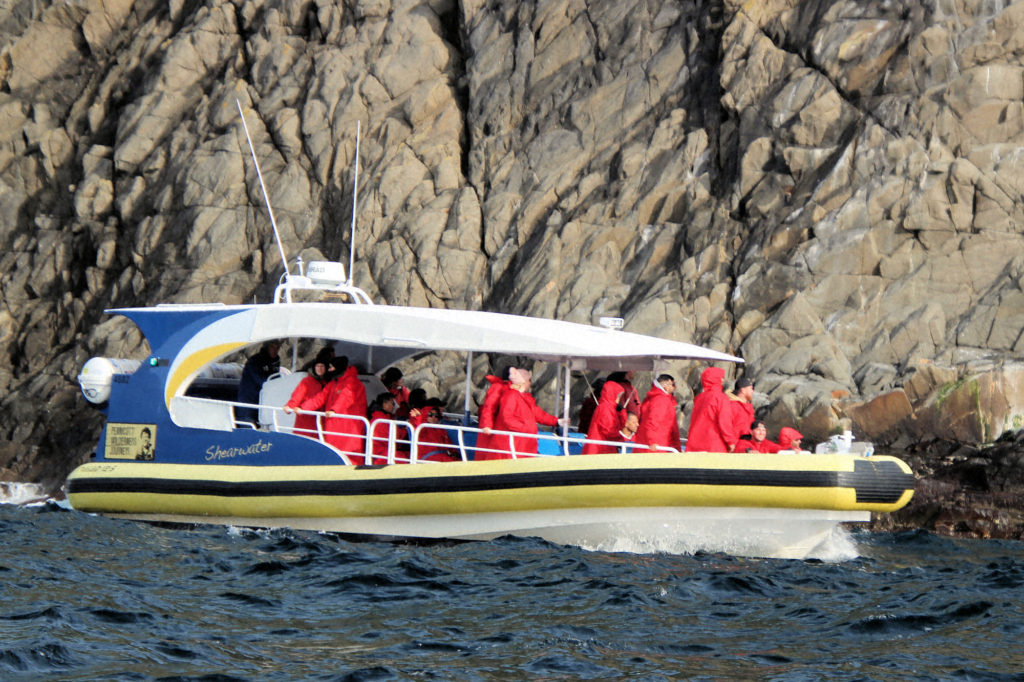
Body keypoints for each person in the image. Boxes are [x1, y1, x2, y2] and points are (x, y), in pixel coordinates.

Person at [301, 357, 368, 463]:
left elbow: (346, 397)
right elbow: (321, 397)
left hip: (349, 428)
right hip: (334, 426)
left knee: (349, 455)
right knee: (334, 452)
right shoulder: (334, 383)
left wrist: (334, 410)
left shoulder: (352, 383)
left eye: (331, 367)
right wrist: (302, 408)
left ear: (338, 368)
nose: (329, 370)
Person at [485, 368, 560, 459]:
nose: (530, 383)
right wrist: (525, 428)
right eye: (529, 380)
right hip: (511, 445)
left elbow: (538, 414)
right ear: (523, 382)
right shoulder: (511, 396)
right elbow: (507, 418)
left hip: (522, 444)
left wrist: (556, 421)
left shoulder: (524, 397)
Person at [686, 366, 740, 453]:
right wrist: (731, 442)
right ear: (716, 379)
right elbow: (724, 422)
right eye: (721, 378)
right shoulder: (721, 398)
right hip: (714, 444)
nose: (723, 380)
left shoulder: (699, 398)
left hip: (695, 444)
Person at [283, 347, 333, 439]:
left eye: (322, 366)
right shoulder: (307, 382)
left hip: (322, 421)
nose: (320, 369)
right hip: (306, 421)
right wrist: (290, 406)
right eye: (318, 366)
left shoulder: (329, 383)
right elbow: (297, 396)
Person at [634, 374, 682, 453]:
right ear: (665, 385)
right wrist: (652, 441)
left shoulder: (653, 398)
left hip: (654, 444)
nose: (675, 387)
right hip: (657, 446)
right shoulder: (661, 400)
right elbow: (653, 421)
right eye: (673, 385)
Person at [236, 341, 280, 424]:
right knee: (248, 425)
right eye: (272, 347)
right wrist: (275, 387)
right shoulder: (255, 361)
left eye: (277, 348)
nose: (275, 350)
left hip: (263, 402)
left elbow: (275, 378)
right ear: (266, 347)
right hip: (249, 401)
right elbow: (260, 380)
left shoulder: (275, 361)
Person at [474, 367, 512, 460]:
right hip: (491, 431)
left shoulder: (505, 388)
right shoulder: (498, 388)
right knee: (487, 457)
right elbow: (489, 407)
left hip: (498, 430)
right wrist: (487, 425)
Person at [582, 379, 627, 454]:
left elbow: (620, 425)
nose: (619, 399)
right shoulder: (605, 408)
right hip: (599, 449)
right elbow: (608, 430)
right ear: (612, 394)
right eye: (618, 396)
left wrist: (621, 412)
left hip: (605, 447)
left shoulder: (610, 408)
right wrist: (622, 437)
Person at [368, 392, 398, 464]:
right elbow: (386, 438)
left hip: (383, 452)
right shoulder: (380, 419)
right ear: (384, 404)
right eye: (392, 403)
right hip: (380, 454)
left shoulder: (382, 417)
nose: (393, 406)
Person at [727, 377, 755, 444]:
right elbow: (728, 428)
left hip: (746, 445)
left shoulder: (747, 407)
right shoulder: (733, 406)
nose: (753, 391)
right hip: (736, 447)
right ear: (743, 390)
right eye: (751, 388)